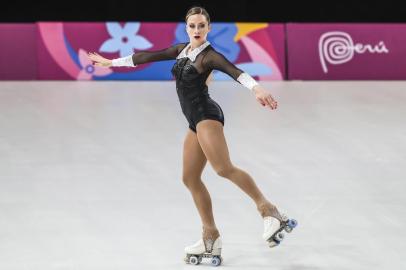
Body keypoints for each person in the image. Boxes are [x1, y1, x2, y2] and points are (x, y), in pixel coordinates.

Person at [88, 6, 296, 266]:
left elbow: (235, 72)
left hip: (207, 116)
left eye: (201, 26)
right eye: (192, 26)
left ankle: (270, 211)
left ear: (209, 28)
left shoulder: (210, 56)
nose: (196, 30)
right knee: (190, 177)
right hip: (193, 122)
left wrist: (257, 89)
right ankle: (210, 236)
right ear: (187, 28)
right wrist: (111, 63)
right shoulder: (181, 50)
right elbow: (146, 56)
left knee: (223, 169)